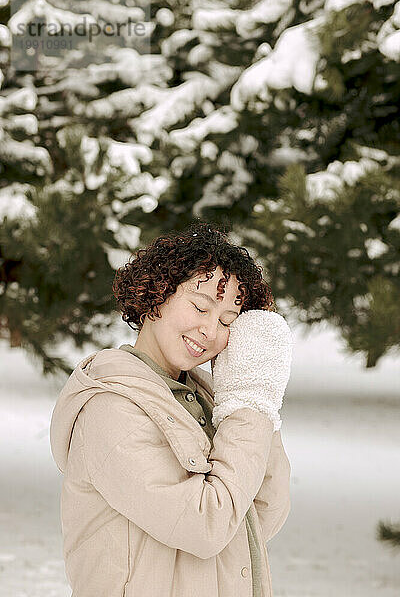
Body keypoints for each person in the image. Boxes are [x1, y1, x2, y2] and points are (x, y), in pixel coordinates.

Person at [50, 220, 294, 597]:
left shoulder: (210, 399)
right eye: (200, 307)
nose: (211, 331)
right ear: (156, 294)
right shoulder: (110, 408)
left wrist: (254, 398)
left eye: (228, 320)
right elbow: (207, 524)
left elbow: (260, 513)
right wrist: (246, 405)